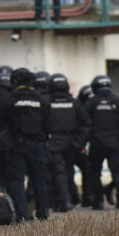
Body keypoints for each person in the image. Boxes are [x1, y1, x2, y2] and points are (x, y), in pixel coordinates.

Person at [0, 68, 51, 221]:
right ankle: (43, 214)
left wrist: (7, 141)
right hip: (37, 145)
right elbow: (49, 125)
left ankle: (23, 216)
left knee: (16, 181)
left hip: (16, 145)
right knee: (40, 180)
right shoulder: (42, 100)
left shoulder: (9, 99)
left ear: (14, 81)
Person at [85, 75, 119, 210]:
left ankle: (98, 202)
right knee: (118, 171)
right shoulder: (118, 101)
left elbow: (83, 123)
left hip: (96, 143)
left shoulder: (91, 102)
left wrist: (83, 142)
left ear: (95, 87)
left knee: (94, 172)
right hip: (115, 143)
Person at [45, 74, 90, 212]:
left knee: (58, 172)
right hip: (71, 143)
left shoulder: (46, 102)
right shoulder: (75, 103)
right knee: (68, 171)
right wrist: (78, 142)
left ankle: (64, 201)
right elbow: (86, 124)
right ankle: (69, 199)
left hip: (53, 142)